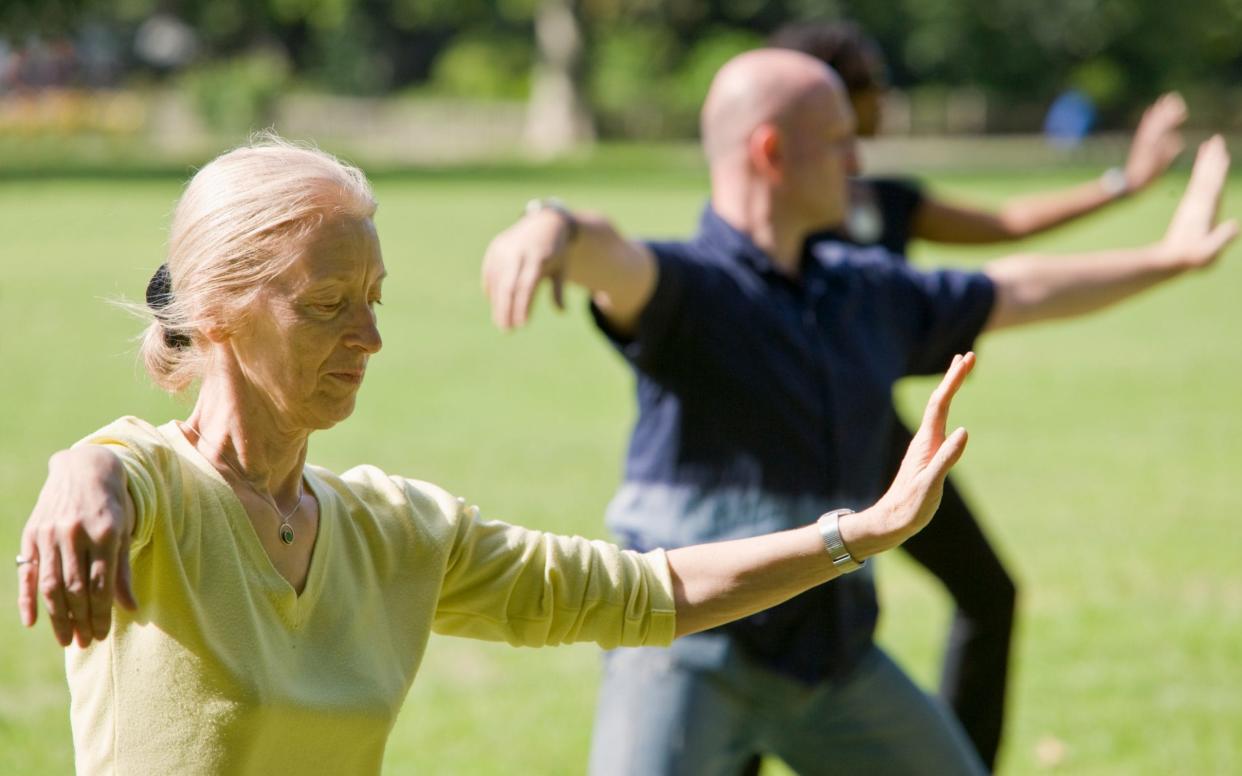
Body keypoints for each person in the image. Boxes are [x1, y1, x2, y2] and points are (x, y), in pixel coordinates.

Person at [15, 136, 977, 776]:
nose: (368, 340)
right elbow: (120, 469)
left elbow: (645, 593)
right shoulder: (148, 494)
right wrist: (80, 469)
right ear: (215, 312)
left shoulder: (394, 532)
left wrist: (859, 532)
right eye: (325, 306)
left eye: (373, 301)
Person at [480, 49, 1235, 775]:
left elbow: (1017, 286)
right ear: (771, 151)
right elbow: (610, 257)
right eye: (839, 142)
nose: (856, 161)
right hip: (684, 660)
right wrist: (553, 225)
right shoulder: (692, 289)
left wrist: (1170, 260)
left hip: (833, 663)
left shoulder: (865, 291)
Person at [766, 21, 1190, 768]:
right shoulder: (776, 211)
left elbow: (1006, 228)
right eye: (869, 82)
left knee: (986, 594)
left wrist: (1127, 182)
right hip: (787, 437)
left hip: (878, 434)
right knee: (771, 627)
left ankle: (959, 762)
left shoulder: (889, 202)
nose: (884, 98)